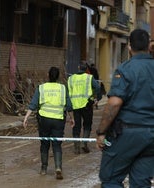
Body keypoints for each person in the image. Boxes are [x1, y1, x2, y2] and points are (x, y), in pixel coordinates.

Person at [96, 29, 154, 187]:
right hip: (151, 139)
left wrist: (101, 132)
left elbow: (114, 103)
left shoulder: (126, 69)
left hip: (126, 134)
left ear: (129, 47)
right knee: (141, 182)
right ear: (149, 45)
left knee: (110, 178)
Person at [23, 66, 75, 180]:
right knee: (57, 145)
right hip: (58, 120)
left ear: (48, 75)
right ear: (58, 77)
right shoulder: (63, 88)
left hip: (44, 120)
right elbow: (69, 106)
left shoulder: (41, 88)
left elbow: (33, 104)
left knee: (44, 144)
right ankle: (58, 167)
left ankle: (43, 169)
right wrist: (72, 118)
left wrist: (26, 117)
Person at [67, 62, 102, 154]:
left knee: (76, 126)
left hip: (75, 106)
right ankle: (84, 143)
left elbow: (68, 92)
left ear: (78, 67)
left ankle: (76, 147)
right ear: (86, 69)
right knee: (87, 125)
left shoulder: (71, 78)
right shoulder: (89, 77)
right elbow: (98, 87)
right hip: (86, 104)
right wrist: (96, 98)